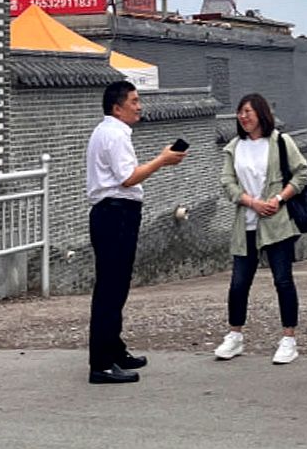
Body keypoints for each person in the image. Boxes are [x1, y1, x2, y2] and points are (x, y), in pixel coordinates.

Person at [85, 80, 187, 384]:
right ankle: (101, 364)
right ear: (117, 108)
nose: (139, 107)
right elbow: (128, 178)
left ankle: (114, 350)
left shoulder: (106, 132)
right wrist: (162, 160)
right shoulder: (115, 135)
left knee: (116, 286)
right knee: (111, 289)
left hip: (114, 213)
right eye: (134, 101)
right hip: (115, 213)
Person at [215, 93, 307, 366]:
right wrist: (251, 202)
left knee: (283, 280)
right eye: (240, 112)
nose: (243, 117)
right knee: (238, 283)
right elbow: (227, 182)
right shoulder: (235, 146)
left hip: (277, 223)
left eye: (248, 111)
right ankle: (235, 335)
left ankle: (289, 339)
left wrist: (279, 198)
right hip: (245, 222)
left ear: (261, 113)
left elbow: (302, 173)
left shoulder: (280, 141)